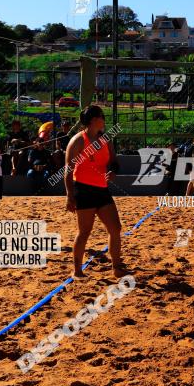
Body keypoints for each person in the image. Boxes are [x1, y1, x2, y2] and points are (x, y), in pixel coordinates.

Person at [64, 105, 126, 279]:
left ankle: (116, 267)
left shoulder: (106, 139)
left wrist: (112, 170)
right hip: (83, 189)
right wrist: (69, 196)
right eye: (102, 116)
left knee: (115, 228)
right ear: (93, 120)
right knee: (84, 231)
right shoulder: (78, 141)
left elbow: (114, 161)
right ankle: (77, 270)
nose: (105, 120)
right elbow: (68, 171)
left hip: (102, 190)